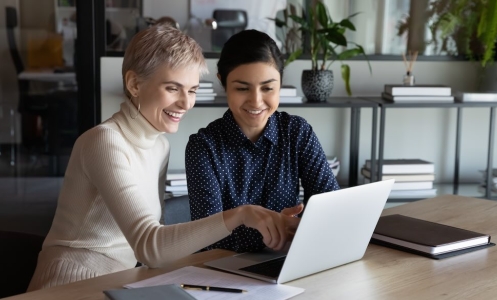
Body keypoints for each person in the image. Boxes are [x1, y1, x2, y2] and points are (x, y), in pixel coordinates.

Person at [27, 25, 301, 291]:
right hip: (71, 283)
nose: (186, 103)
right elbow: (150, 247)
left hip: (121, 280)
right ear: (134, 84)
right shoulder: (104, 142)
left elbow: (150, 250)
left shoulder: (159, 146)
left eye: (192, 90)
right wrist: (242, 214)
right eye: (173, 88)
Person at [186, 29, 340, 253]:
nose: (256, 101)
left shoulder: (297, 132)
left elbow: (331, 208)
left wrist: (292, 228)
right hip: (225, 271)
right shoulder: (204, 147)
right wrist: (274, 231)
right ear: (223, 82)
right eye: (242, 88)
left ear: (280, 82)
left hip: (289, 262)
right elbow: (206, 239)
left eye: (268, 88)